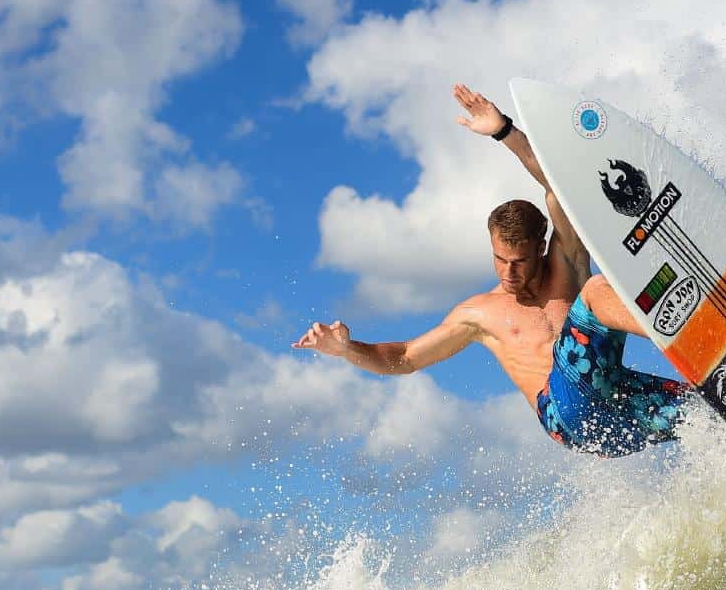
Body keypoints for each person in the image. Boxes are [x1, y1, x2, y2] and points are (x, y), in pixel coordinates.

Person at [294, 84, 692, 457]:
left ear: (541, 249)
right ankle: (688, 331)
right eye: (500, 259)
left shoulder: (567, 264)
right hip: (566, 416)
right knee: (595, 291)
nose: (509, 272)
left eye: (519, 261)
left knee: (704, 409)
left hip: (614, 404)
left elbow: (560, 189)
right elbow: (405, 357)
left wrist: (505, 132)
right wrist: (346, 349)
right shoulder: (480, 313)